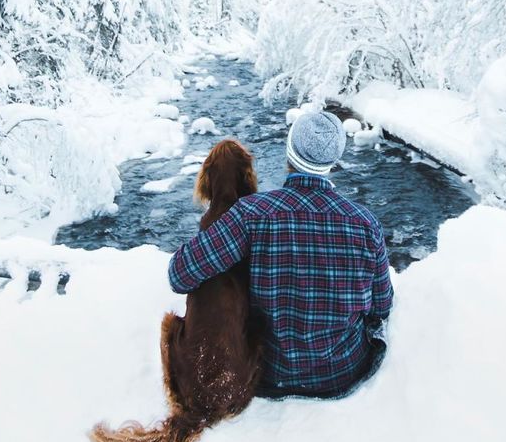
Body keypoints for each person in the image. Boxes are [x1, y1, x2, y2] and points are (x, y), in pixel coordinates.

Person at [168, 111, 393, 399]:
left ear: (289, 152)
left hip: (267, 374)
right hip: (342, 373)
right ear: (333, 161)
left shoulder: (251, 213)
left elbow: (179, 274)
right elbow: (381, 307)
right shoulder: (365, 223)